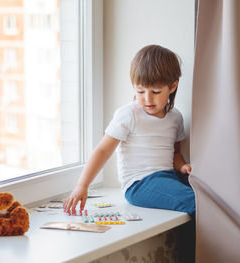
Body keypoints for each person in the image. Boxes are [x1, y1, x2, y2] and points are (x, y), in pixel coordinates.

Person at [63, 45, 195, 216]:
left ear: (172, 87)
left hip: (169, 176)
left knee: (210, 193)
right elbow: (103, 150)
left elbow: (175, 154)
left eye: (155, 91)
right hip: (139, 183)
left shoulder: (175, 117)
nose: (148, 98)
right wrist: (82, 186)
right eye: (140, 91)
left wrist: (183, 166)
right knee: (195, 201)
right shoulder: (129, 115)